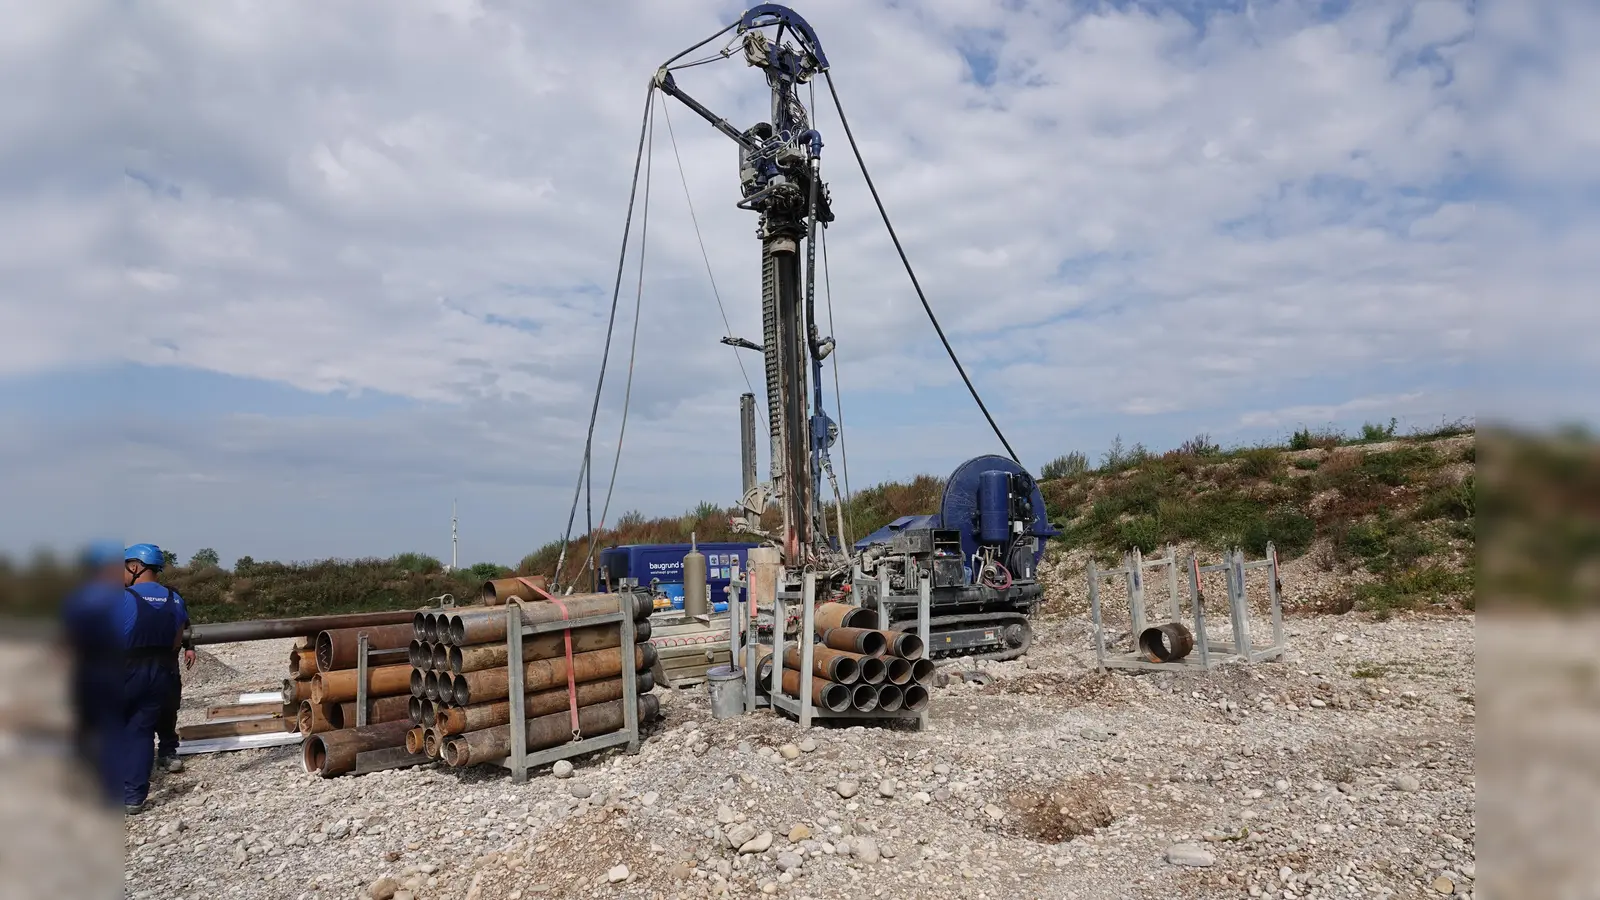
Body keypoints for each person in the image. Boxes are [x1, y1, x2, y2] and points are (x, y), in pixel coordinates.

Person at [117, 543, 194, 814]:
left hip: (125, 669)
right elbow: (177, 639)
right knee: (141, 731)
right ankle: (133, 798)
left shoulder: (122, 598)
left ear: (135, 567)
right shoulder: (174, 599)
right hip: (161, 671)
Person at [59, 539, 126, 806]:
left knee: (85, 727)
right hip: (113, 669)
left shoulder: (79, 598)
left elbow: (68, 639)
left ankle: (83, 783)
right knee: (112, 728)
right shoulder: (120, 599)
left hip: (87, 669)